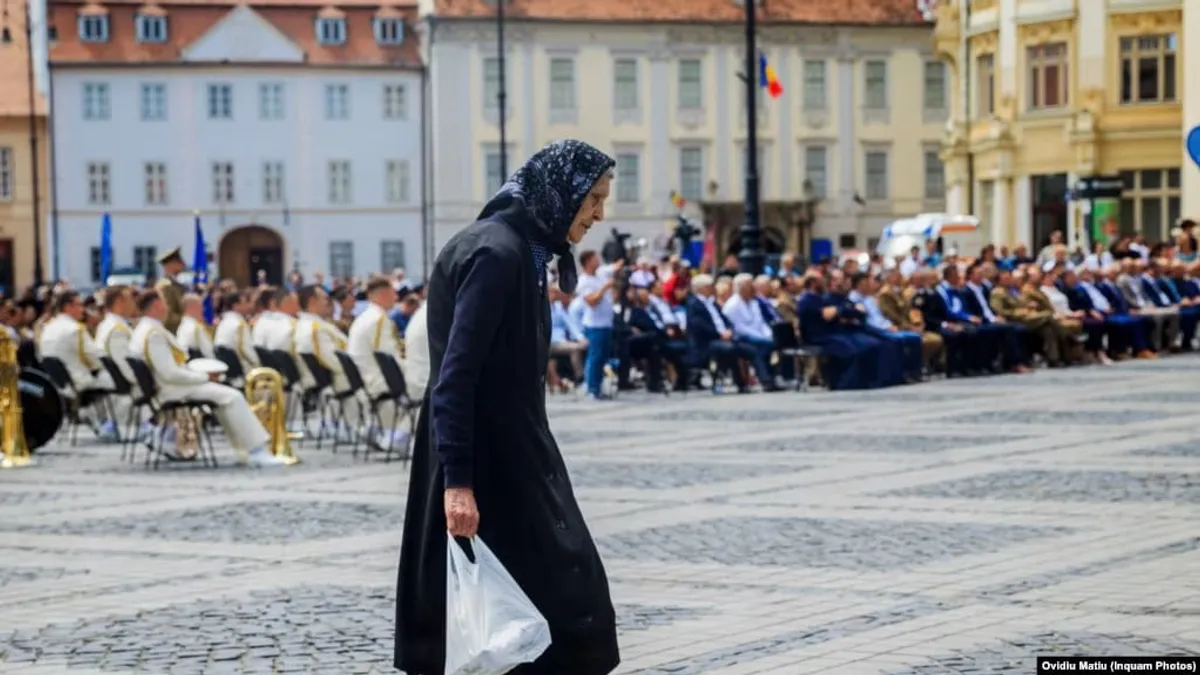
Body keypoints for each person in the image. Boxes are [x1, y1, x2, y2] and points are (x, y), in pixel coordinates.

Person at [395, 140, 620, 675]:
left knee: (544, 599)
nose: (598, 214)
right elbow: (455, 377)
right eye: (591, 199)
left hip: (510, 451)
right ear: (559, 193)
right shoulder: (499, 254)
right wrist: (458, 482)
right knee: (560, 597)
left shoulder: (515, 249)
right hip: (489, 458)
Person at [155, 247, 188, 333]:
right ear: (171, 264)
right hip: (172, 331)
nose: (183, 264)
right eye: (179, 262)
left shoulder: (174, 283)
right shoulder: (165, 285)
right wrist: (188, 319)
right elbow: (168, 313)